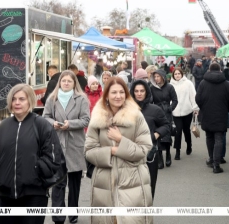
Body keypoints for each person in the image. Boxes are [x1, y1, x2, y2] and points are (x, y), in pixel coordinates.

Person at [0, 83, 64, 224]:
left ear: (30, 101)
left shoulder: (42, 125)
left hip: (34, 196)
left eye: (21, 99)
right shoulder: (2, 127)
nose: (17, 102)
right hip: (6, 196)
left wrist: (36, 172)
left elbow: (53, 158)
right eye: (14, 99)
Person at [84, 77, 153, 224]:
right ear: (107, 95)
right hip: (104, 183)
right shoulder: (97, 117)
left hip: (133, 180)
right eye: (114, 92)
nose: (118, 96)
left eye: (122, 92)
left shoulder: (136, 116)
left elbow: (144, 149)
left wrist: (121, 140)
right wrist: (112, 151)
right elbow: (89, 150)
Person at [42, 70, 90, 224]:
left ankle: (73, 214)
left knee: (74, 184)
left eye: (70, 81)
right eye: (64, 81)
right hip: (57, 145)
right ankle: (58, 216)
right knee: (58, 183)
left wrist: (71, 124)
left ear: (74, 83)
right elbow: (45, 117)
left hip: (75, 144)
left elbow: (86, 119)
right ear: (60, 83)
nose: (66, 83)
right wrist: (53, 123)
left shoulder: (81, 99)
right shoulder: (52, 98)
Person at [130, 79, 170, 200]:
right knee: (132, 187)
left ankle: (147, 213)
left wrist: (155, 135)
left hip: (150, 153)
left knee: (149, 185)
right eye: (136, 91)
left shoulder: (155, 109)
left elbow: (166, 125)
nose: (139, 93)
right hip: (131, 153)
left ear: (147, 92)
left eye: (142, 91)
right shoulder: (127, 109)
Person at [196, 63, 229, 173]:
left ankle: (211, 159)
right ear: (220, 70)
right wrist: (225, 109)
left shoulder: (203, 83)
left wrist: (203, 108)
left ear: (209, 70)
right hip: (221, 114)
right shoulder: (227, 84)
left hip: (207, 114)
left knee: (209, 137)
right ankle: (216, 165)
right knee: (219, 138)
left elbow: (198, 98)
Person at [150, 69, 178, 169]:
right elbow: (150, 100)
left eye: (158, 76)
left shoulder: (170, 87)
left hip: (167, 113)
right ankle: (160, 159)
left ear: (162, 77)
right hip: (157, 113)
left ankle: (168, 154)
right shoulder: (152, 88)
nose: (156, 79)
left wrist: (170, 108)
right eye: (155, 77)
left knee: (167, 135)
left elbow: (175, 100)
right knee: (158, 135)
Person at [170, 67, 199, 160]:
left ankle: (189, 145)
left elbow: (193, 96)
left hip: (187, 111)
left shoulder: (188, 83)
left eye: (179, 74)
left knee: (186, 130)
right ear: (173, 75)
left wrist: (195, 108)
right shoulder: (171, 85)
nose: (177, 75)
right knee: (178, 131)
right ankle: (177, 151)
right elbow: (169, 98)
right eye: (175, 74)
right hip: (176, 112)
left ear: (182, 74)